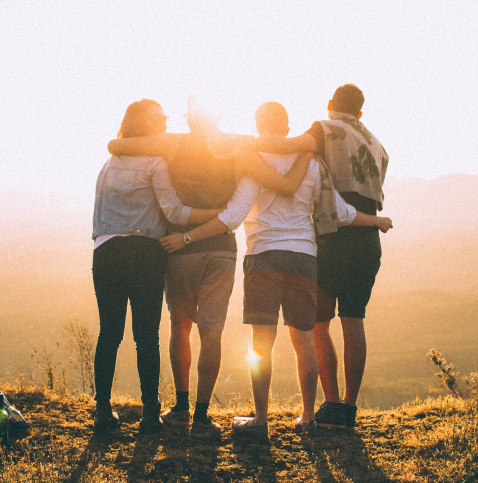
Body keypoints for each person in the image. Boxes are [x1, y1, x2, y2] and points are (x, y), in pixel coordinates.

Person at [160, 101, 392, 438]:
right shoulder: (311, 163)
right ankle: (309, 418)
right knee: (304, 340)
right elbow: (340, 212)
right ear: (287, 128)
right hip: (304, 258)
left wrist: (188, 237)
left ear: (258, 124)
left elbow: (233, 216)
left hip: (264, 256)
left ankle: (261, 420)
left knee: (261, 343)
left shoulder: (254, 161)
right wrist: (377, 220)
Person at [107, 96, 311, 438]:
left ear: (189, 120)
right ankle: (202, 416)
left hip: (179, 247)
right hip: (221, 250)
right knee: (211, 332)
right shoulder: (237, 147)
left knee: (180, 325)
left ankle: (181, 407)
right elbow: (282, 177)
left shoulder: (172, 144)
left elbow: (118, 145)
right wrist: (307, 149)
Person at [236, 85, 390, 429]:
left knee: (317, 325)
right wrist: (376, 221)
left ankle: (329, 406)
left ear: (331, 105)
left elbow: (287, 147)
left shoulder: (324, 129)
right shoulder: (378, 144)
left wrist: (238, 143)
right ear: (360, 113)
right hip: (366, 237)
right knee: (354, 320)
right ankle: (347, 410)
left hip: (332, 236)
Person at [92, 99, 221, 434]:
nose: (164, 122)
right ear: (142, 124)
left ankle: (102, 413)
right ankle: (150, 416)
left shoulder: (108, 164)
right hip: (145, 253)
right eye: (158, 118)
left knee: (109, 333)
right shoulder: (155, 162)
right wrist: (217, 215)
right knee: (146, 336)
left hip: (105, 251)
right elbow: (175, 213)